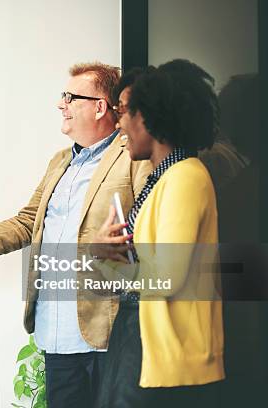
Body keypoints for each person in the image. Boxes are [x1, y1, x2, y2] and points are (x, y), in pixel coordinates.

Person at [0, 63, 151, 408]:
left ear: (101, 106)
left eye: (70, 97)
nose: (61, 104)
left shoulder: (132, 155)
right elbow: (28, 221)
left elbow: (148, 229)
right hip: (55, 334)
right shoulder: (59, 162)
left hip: (106, 332)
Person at [92, 59, 225, 408]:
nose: (118, 123)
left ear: (148, 117)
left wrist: (109, 261)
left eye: (124, 111)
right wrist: (109, 256)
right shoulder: (163, 180)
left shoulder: (185, 178)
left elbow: (166, 277)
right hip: (141, 341)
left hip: (166, 354)